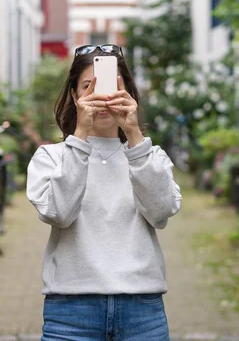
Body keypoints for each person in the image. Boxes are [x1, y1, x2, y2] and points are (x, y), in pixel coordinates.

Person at [26, 44, 183, 341]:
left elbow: (161, 212)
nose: (102, 96)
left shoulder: (151, 156)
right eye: (89, 87)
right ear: (74, 96)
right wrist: (81, 136)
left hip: (142, 310)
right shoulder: (50, 158)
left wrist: (135, 135)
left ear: (130, 95)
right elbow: (59, 213)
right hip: (70, 312)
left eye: (112, 86)